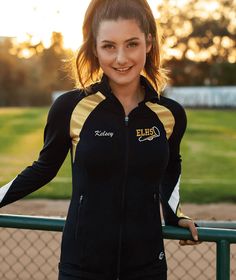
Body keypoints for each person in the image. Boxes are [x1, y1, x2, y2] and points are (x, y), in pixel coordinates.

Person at [0, 0, 201, 279]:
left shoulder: (170, 114)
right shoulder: (71, 108)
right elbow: (43, 169)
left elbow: (171, 168)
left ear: (149, 43)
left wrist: (174, 215)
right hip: (81, 268)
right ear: (94, 47)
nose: (121, 58)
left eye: (132, 44)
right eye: (109, 46)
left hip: (148, 268)